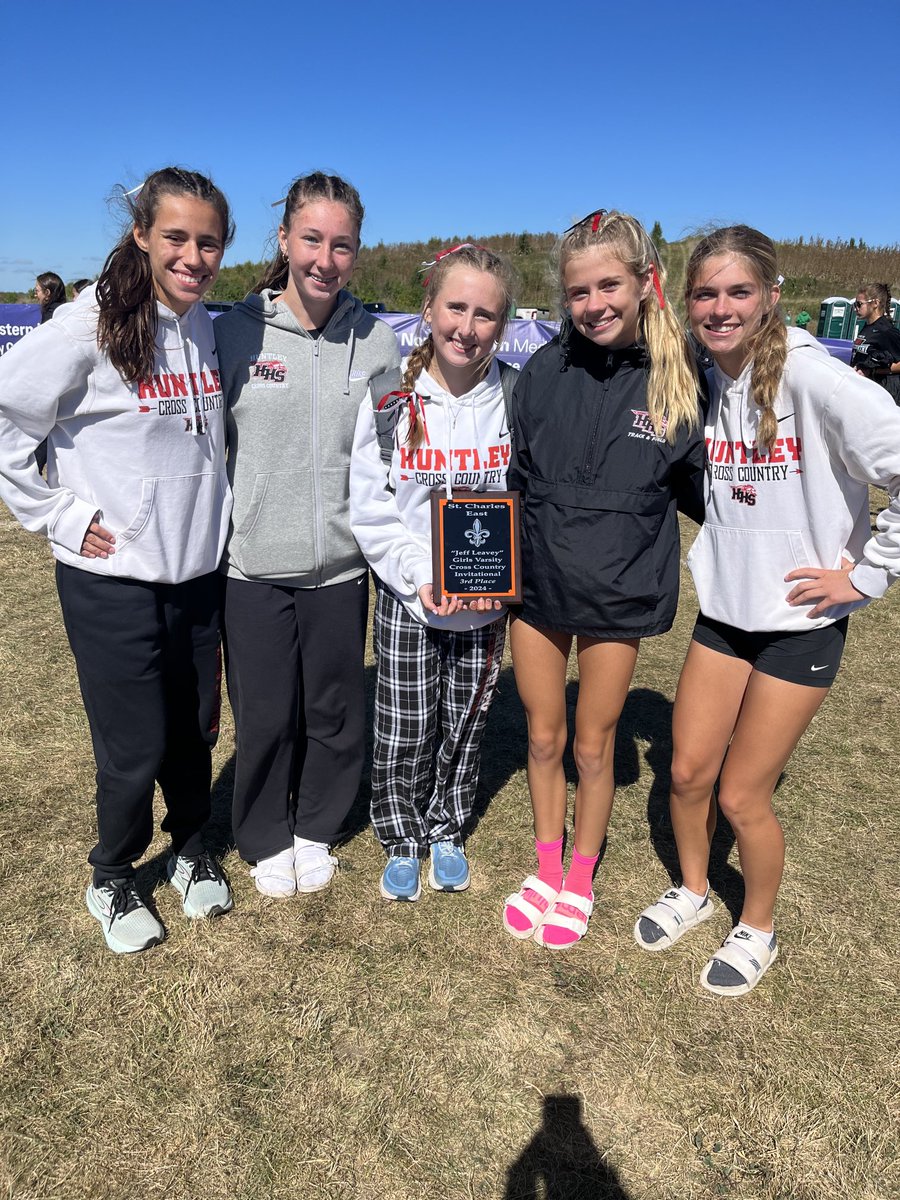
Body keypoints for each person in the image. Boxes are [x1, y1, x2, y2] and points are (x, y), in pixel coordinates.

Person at [634, 225, 900, 995]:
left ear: (772, 297)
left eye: (739, 292)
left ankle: (757, 927)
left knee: (741, 795)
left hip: (800, 627)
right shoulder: (704, 377)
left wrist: (868, 576)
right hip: (726, 614)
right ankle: (692, 889)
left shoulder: (819, 381)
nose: (721, 308)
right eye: (705, 294)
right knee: (687, 773)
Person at [0, 167, 237, 953]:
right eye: (176, 237)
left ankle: (192, 847)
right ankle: (112, 872)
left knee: (193, 731)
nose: (193, 257)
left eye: (209, 242)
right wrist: (58, 514)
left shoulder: (205, 325)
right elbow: (6, 421)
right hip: (112, 583)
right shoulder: (86, 326)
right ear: (141, 234)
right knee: (133, 745)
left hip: (197, 576)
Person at [503, 210, 705, 949]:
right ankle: (546, 866)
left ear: (645, 281)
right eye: (579, 291)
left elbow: (709, 492)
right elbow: (515, 477)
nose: (594, 304)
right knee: (543, 736)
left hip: (618, 592)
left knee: (594, 746)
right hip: (538, 590)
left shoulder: (680, 376)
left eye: (609, 285)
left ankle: (581, 875)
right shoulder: (541, 372)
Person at [215, 172, 399, 899]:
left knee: (334, 712)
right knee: (264, 715)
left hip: (341, 569)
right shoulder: (234, 333)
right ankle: (264, 834)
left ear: (357, 251)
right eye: (312, 239)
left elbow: (396, 453)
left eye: (341, 244)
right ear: (285, 238)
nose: (325, 259)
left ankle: (316, 825)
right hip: (253, 567)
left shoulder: (378, 341)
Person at [349, 243, 514, 901]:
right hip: (408, 597)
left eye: (484, 314)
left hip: (485, 605)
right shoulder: (390, 398)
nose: (466, 328)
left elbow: (529, 501)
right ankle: (401, 835)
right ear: (428, 310)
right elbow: (371, 508)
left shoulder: (515, 397)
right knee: (404, 725)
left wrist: (495, 579)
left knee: (465, 725)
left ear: (502, 325)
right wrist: (419, 573)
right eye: (455, 307)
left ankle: (446, 827)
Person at [33, 273, 67, 473]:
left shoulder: (52, 316)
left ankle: (34, 469)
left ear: (47, 293)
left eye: (37, 290)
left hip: (53, 383)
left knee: (45, 430)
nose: (35, 295)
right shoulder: (62, 312)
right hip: (59, 381)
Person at [850, 282, 900, 405]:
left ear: (875, 303)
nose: (856, 308)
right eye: (855, 305)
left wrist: (873, 371)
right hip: (864, 389)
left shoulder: (886, 331)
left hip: (884, 392)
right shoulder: (867, 327)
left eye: (859, 304)